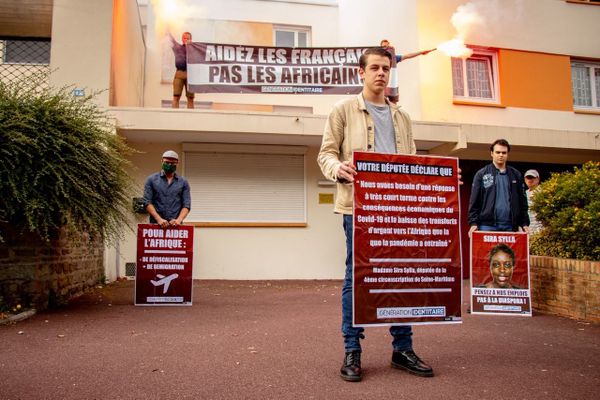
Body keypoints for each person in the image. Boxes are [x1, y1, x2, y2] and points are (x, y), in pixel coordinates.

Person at [317, 47, 433, 382]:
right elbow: (325, 153)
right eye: (375, 68)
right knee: (358, 276)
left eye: (386, 68)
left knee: (401, 275)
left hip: (397, 211)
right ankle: (352, 349)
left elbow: (411, 164)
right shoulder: (342, 110)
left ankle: (402, 349)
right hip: (358, 208)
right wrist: (337, 167)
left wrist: (439, 182)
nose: (382, 73)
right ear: (361, 73)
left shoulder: (402, 117)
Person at [468, 139, 529, 237]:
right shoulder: (481, 174)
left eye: (504, 152)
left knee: (508, 253)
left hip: (511, 226)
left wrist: (524, 223)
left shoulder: (515, 174)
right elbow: (474, 201)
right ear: (492, 153)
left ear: (507, 154)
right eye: (498, 152)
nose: (501, 155)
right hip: (487, 226)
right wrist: (473, 223)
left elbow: (522, 202)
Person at [143, 150, 191, 228]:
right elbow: (147, 202)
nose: (169, 165)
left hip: (176, 227)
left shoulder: (183, 182)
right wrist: (159, 219)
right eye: (167, 162)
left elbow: (186, 205)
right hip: (156, 226)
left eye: (172, 163)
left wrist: (178, 220)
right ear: (162, 161)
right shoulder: (151, 180)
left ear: (177, 163)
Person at [379, 39, 436, 103]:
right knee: (381, 103)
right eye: (384, 47)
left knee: (394, 106)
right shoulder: (378, 58)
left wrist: (421, 52)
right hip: (383, 85)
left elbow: (408, 55)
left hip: (392, 86)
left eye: (388, 46)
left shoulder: (394, 58)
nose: (386, 48)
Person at [168, 31, 194, 109]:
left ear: (191, 39)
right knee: (176, 96)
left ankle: (190, 117)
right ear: (182, 39)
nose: (186, 39)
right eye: (184, 38)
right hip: (179, 73)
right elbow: (171, 40)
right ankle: (174, 116)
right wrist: (167, 29)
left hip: (190, 74)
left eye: (187, 38)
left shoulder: (195, 49)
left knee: (190, 98)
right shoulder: (178, 47)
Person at [524, 169, 542, 234]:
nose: (530, 180)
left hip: (539, 228)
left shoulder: (543, 192)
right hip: (527, 228)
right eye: (528, 178)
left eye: (532, 177)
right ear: (525, 179)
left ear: (538, 179)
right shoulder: (524, 193)